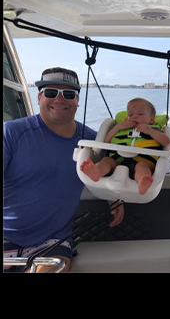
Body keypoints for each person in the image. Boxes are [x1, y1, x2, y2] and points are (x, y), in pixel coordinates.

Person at [3, 67, 124, 273]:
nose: (59, 100)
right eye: (51, 93)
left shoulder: (94, 142)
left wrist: (113, 197)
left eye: (69, 94)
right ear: (39, 96)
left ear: (77, 101)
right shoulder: (12, 133)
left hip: (52, 242)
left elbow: (110, 166)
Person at [80, 98, 170, 195]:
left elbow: (166, 142)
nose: (134, 117)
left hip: (143, 160)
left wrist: (149, 131)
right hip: (118, 160)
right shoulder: (121, 127)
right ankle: (96, 171)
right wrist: (117, 127)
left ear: (151, 119)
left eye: (140, 114)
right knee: (106, 160)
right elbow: (106, 140)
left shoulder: (154, 130)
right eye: (130, 115)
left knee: (142, 167)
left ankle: (142, 182)